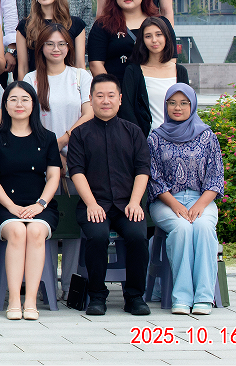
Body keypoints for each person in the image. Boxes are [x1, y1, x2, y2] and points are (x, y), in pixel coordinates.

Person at [67, 73, 152, 316]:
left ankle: (134, 296)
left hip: (127, 204)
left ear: (120, 99)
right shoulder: (80, 134)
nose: (106, 101)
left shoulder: (133, 132)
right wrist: (91, 204)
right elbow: (76, 172)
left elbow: (142, 169)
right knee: (97, 236)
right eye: (100, 96)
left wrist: (135, 202)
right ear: (91, 99)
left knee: (137, 236)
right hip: (94, 204)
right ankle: (97, 295)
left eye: (111, 95)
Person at [0, 82, 62, 320]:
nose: (19, 104)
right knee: (17, 231)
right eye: (13, 99)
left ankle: (31, 301)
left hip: (40, 205)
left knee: (35, 232)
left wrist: (40, 204)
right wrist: (11, 207)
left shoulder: (47, 138)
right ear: (5, 105)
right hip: (5, 206)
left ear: (33, 104)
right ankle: (14, 300)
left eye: (25, 99)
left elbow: (54, 176)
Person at [147, 84, 224, 316]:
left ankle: (203, 297)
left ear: (193, 105)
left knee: (203, 228)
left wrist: (199, 205)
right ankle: (181, 297)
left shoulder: (207, 136)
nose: (177, 108)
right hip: (166, 202)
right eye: (172, 103)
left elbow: (215, 177)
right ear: (166, 106)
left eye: (183, 103)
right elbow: (154, 179)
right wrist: (176, 204)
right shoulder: (155, 137)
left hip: (202, 200)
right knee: (181, 228)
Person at [22, 22, 94, 157]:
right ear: (41, 47)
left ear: (68, 47)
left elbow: (89, 114)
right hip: (42, 153)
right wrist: (53, 151)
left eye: (61, 44)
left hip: (78, 153)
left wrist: (62, 141)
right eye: (50, 44)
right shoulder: (30, 79)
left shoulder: (81, 76)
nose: (56, 49)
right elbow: (26, 120)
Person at [88, 0, 169, 84]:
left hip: (154, 87)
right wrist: (112, 91)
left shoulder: (161, 23)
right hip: (118, 89)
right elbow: (96, 64)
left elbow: (171, 58)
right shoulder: (102, 25)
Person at [121, 16, 189, 135]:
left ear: (166, 37)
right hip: (146, 139)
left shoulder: (180, 71)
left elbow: (187, 107)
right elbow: (127, 110)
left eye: (159, 35)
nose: (154, 40)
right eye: (148, 36)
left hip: (176, 137)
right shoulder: (133, 71)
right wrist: (139, 140)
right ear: (142, 40)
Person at [15, 0, 88, 79]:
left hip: (68, 84)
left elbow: (80, 65)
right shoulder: (25, 26)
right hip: (36, 84)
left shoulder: (75, 24)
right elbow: (23, 68)